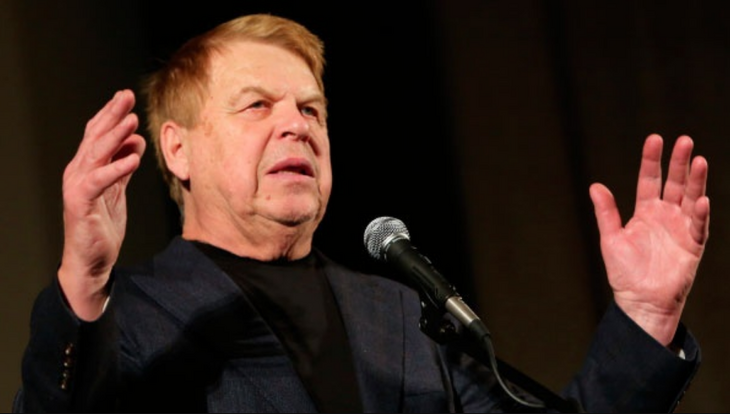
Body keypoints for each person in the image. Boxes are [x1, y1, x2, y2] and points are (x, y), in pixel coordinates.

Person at [14, 13, 710, 413]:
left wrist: (643, 319)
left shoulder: (403, 316)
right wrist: (83, 281)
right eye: (258, 106)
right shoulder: (129, 317)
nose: (297, 126)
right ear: (178, 149)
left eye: (311, 109)